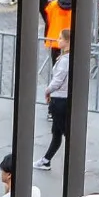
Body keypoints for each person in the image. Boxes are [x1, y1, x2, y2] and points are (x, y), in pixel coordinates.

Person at [37, 30, 73, 172]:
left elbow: (58, 80)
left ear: (67, 41)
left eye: (60, 38)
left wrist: (47, 90)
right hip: (61, 98)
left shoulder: (65, 60)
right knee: (57, 132)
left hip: (59, 99)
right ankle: (46, 160)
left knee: (63, 131)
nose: (57, 40)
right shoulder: (66, 58)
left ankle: (71, 162)